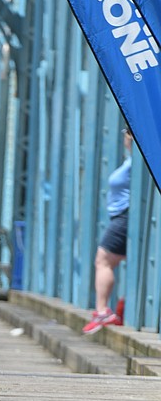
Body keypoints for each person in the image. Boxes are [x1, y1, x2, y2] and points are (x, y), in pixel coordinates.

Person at [82, 126, 132, 335]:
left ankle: (103, 311)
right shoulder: (131, 160)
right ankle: (122, 305)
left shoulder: (140, 158)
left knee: (103, 260)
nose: (123, 138)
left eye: (126, 133)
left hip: (125, 216)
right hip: (123, 216)